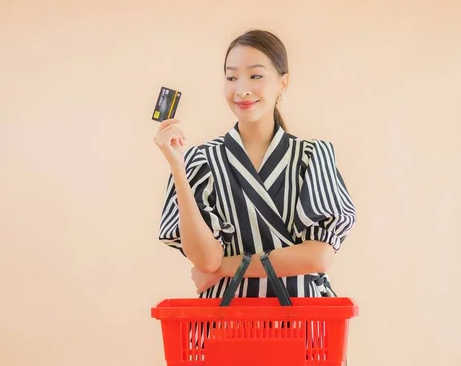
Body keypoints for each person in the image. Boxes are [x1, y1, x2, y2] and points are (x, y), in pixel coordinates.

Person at [153, 29, 357, 301]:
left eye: (255, 75)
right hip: (226, 323)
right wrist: (178, 167)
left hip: (302, 322)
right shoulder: (200, 161)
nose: (242, 89)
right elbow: (206, 259)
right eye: (231, 77)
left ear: (283, 83)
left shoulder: (311, 156)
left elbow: (319, 256)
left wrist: (225, 268)